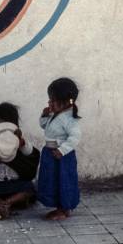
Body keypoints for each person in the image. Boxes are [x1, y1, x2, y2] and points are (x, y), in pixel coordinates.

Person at [0, 102, 40, 215]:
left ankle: (5, 203)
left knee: (29, 188)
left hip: (15, 183)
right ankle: (7, 203)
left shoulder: (16, 140)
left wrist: (22, 144)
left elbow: (29, 152)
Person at [37, 78, 82, 220]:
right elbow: (45, 127)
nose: (49, 103)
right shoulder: (55, 115)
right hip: (50, 155)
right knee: (52, 180)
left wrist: (62, 150)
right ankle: (58, 206)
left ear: (65, 101)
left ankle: (63, 209)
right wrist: (45, 115)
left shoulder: (69, 119)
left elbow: (75, 137)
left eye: (52, 100)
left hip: (62, 157)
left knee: (63, 180)